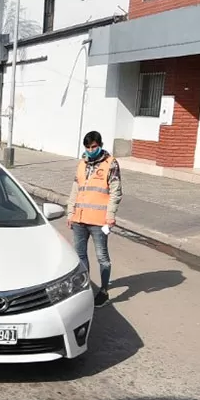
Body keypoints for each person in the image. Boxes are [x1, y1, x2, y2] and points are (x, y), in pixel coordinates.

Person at [67, 130, 123, 307]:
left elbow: (116, 192)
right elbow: (75, 189)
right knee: (80, 256)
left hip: (100, 221)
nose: (91, 150)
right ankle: (85, 289)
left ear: (100, 145)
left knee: (102, 258)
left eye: (94, 147)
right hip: (80, 219)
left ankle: (104, 290)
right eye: (88, 147)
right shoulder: (82, 163)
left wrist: (110, 216)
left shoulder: (111, 163)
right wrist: (70, 213)